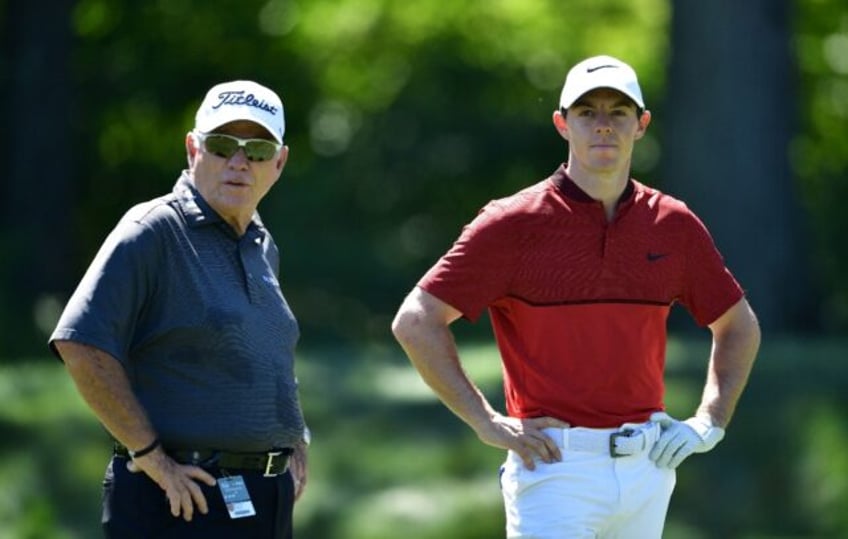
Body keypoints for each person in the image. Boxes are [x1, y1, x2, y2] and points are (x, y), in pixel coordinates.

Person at [391, 55, 761, 538]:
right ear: (562, 124)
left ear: (642, 124)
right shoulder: (512, 223)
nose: (603, 126)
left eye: (618, 112)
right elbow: (416, 320)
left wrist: (709, 421)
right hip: (553, 467)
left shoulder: (673, 224)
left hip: (648, 468)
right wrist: (486, 421)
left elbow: (738, 325)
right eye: (587, 112)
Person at [49, 80, 310, 539]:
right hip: (177, 500)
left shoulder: (262, 245)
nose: (239, 162)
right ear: (193, 148)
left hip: (261, 502)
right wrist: (151, 457)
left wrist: (295, 440)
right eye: (222, 144)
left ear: (280, 162)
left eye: (257, 149)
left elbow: (268, 353)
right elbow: (81, 344)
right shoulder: (151, 230)